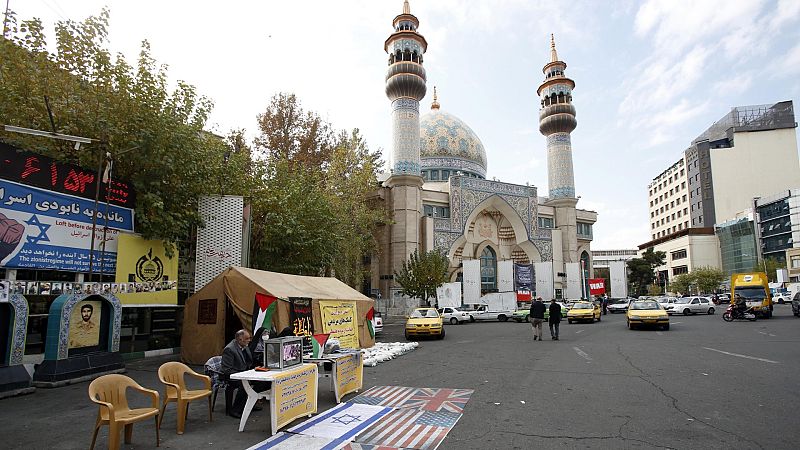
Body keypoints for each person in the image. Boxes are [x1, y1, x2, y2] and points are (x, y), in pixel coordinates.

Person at [222, 329, 266, 418]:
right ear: (240, 339)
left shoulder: (245, 346)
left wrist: (254, 369)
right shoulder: (229, 349)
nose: (249, 340)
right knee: (244, 384)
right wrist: (243, 374)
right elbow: (227, 370)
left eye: (249, 338)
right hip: (232, 376)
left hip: (244, 373)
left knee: (263, 382)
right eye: (247, 339)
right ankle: (235, 410)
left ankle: (249, 403)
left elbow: (248, 362)